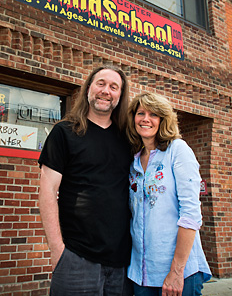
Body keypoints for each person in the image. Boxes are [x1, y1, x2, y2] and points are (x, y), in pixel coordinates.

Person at [38, 65, 133, 296]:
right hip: (76, 257)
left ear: (120, 95)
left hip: (122, 262)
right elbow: (48, 190)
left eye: (113, 87)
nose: (106, 91)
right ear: (89, 87)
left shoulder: (129, 138)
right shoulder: (64, 132)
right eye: (100, 83)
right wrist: (57, 250)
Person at [126, 92, 211, 296]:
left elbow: (190, 214)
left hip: (179, 272)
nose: (146, 119)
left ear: (163, 120)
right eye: (140, 113)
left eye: (153, 114)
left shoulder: (178, 150)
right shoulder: (133, 159)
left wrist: (176, 271)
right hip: (141, 272)